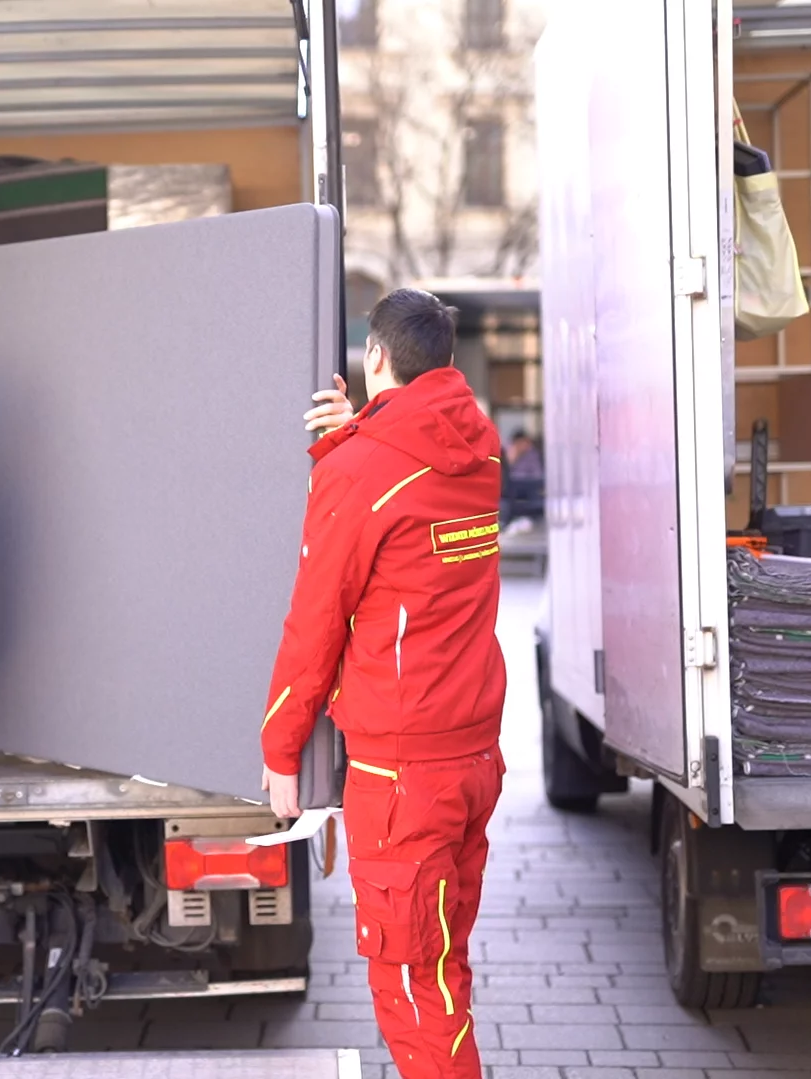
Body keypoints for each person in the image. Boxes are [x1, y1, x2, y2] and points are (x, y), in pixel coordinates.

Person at [271, 288, 508, 1079]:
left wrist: (281, 752)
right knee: (442, 965)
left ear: (373, 356)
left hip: (401, 775)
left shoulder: (361, 471)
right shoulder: (481, 452)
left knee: (411, 981)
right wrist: (357, 435)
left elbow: (314, 623)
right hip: (471, 758)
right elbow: (406, 492)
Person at [500, 431, 544, 535]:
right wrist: (512, 457)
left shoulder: (531, 454)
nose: (526, 446)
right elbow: (504, 473)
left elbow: (537, 474)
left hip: (527, 488)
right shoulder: (506, 451)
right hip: (508, 489)